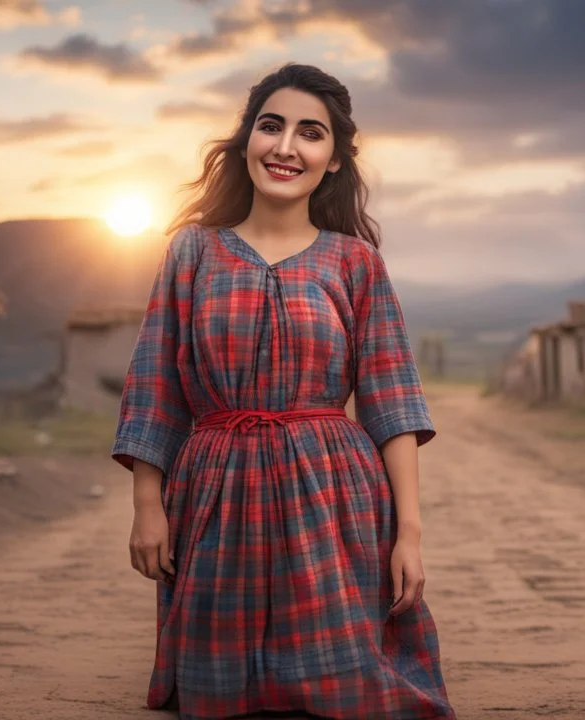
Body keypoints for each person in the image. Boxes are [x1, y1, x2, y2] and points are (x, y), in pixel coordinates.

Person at [112, 62, 455, 720]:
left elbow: (392, 405)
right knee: (217, 694)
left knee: (343, 688)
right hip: (216, 496)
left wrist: (408, 535)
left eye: (311, 133)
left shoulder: (355, 263)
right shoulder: (192, 253)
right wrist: (147, 504)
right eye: (271, 127)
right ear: (246, 142)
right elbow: (155, 386)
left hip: (333, 502)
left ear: (332, 161)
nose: (287, 146)